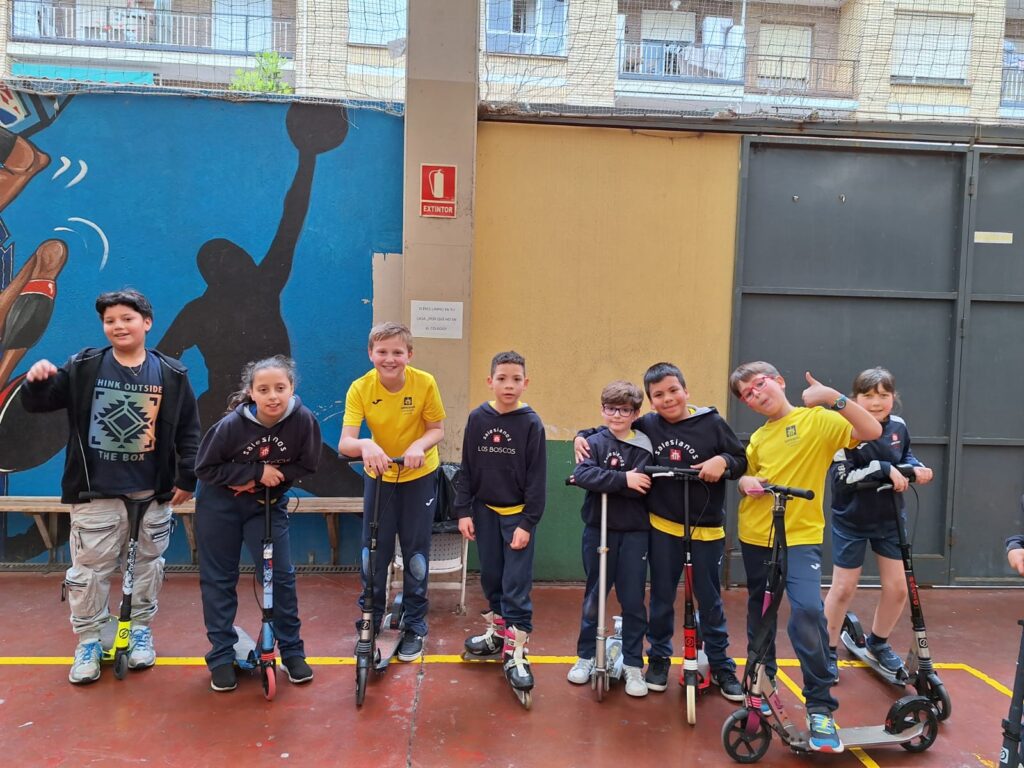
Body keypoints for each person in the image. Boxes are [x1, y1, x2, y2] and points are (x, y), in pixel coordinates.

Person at [22, 288, 200, 684]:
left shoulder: (171, 374)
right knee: (88, 573)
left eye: (127, 318)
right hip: (95, 494)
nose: (118, 326)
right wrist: (36, 382)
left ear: (147, 323)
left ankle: (139, 632)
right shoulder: (84, 366)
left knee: (147, 568)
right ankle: (88, 640)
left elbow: (189, 430)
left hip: (151, 495)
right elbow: (39, 403)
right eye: (110, 320)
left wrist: (187, 477)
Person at [730, 362, 882, 753]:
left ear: (779, 381)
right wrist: (746, 482)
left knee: (808, 612)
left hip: (800, 539)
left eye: (759, 384)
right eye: (747, 394)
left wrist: (832, 396)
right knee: (760, 612)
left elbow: (871, 430)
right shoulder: (758, 438)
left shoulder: (818, 420)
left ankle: (819, 706)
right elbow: (747, 476)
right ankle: (761, 684)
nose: (755, 394)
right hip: (756, 535)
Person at [575, 362, 747, 700]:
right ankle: (658, 658)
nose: (668, 399)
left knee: (710, 599)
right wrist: (581, 436)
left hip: (705, 529)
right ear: (651, 402)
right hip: (662, 528)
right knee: (661, 598)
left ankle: (720, 663)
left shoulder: (712, 423)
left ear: (686, 391)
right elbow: (613, 423)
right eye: (659, 394)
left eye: (673, 391)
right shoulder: (649, 424)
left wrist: (724, 462)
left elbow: (740, 459)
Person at [194, 355, 321, 692]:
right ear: (251, 392)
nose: (273, 396)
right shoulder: (231, 426)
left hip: (265, 504)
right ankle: (221, 656)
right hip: (219, 506)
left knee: (280, 577)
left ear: (292, 388)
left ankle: (292, 652)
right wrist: (254, 472)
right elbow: (204, 468)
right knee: (219, 579)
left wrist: (267, 479)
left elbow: (308, 464)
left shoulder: (303, 421)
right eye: (263, 389)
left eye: (280, 388)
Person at [338, 322, 446, 662]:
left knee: (415, 554)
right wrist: (366, 445)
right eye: (382, 351)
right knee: (374, 552)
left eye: (397, 352)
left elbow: (437, 430)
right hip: (380, 476)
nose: (389, 359)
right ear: (370, 353)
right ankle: (370, 617)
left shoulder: (424, 382)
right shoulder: (360, 388)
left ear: (409, 355)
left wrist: (418, 446)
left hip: (418, 475)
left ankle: (415, 624)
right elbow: (345, 442)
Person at [822, 367, 933, 682]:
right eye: (868, 395)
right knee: (843, 588)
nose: (876, 402)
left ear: (893, 398)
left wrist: (917, 468)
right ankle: (827, 650)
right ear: (854, 398)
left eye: (883, 395)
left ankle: (878, 644)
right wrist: (883, 468)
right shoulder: (842, 428)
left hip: (890, 519)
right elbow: (843, 479)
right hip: (851, 519)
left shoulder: (898, 426)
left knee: (897, 589)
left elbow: (906, 456)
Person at [456, 351, 546, 695]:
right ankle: (497, 634)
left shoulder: (531, 423)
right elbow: (467, 468)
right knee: (492, 577)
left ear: (526, 383)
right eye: (502, 378)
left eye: (516, 379)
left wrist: (528, 522)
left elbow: (537, 479)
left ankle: (517, 651)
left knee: (515, 584)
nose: (509, 385)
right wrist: (463, 511)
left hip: (517, 517)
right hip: (484, 513)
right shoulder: (478, 418)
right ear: (490, 381)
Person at [567, 380, 652, 697]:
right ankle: (586, 656)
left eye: (625, 410)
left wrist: (608, 481)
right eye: (611, 409)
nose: (617, 415)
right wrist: (623, 479)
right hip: (597, 528)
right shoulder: (593, 442)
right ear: (602, 410)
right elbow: (582, 475)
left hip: (634, 532)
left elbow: (642, 485)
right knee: (594, 595)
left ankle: (633, 664)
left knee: (633, 599)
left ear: (635, 413)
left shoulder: (643, 445)